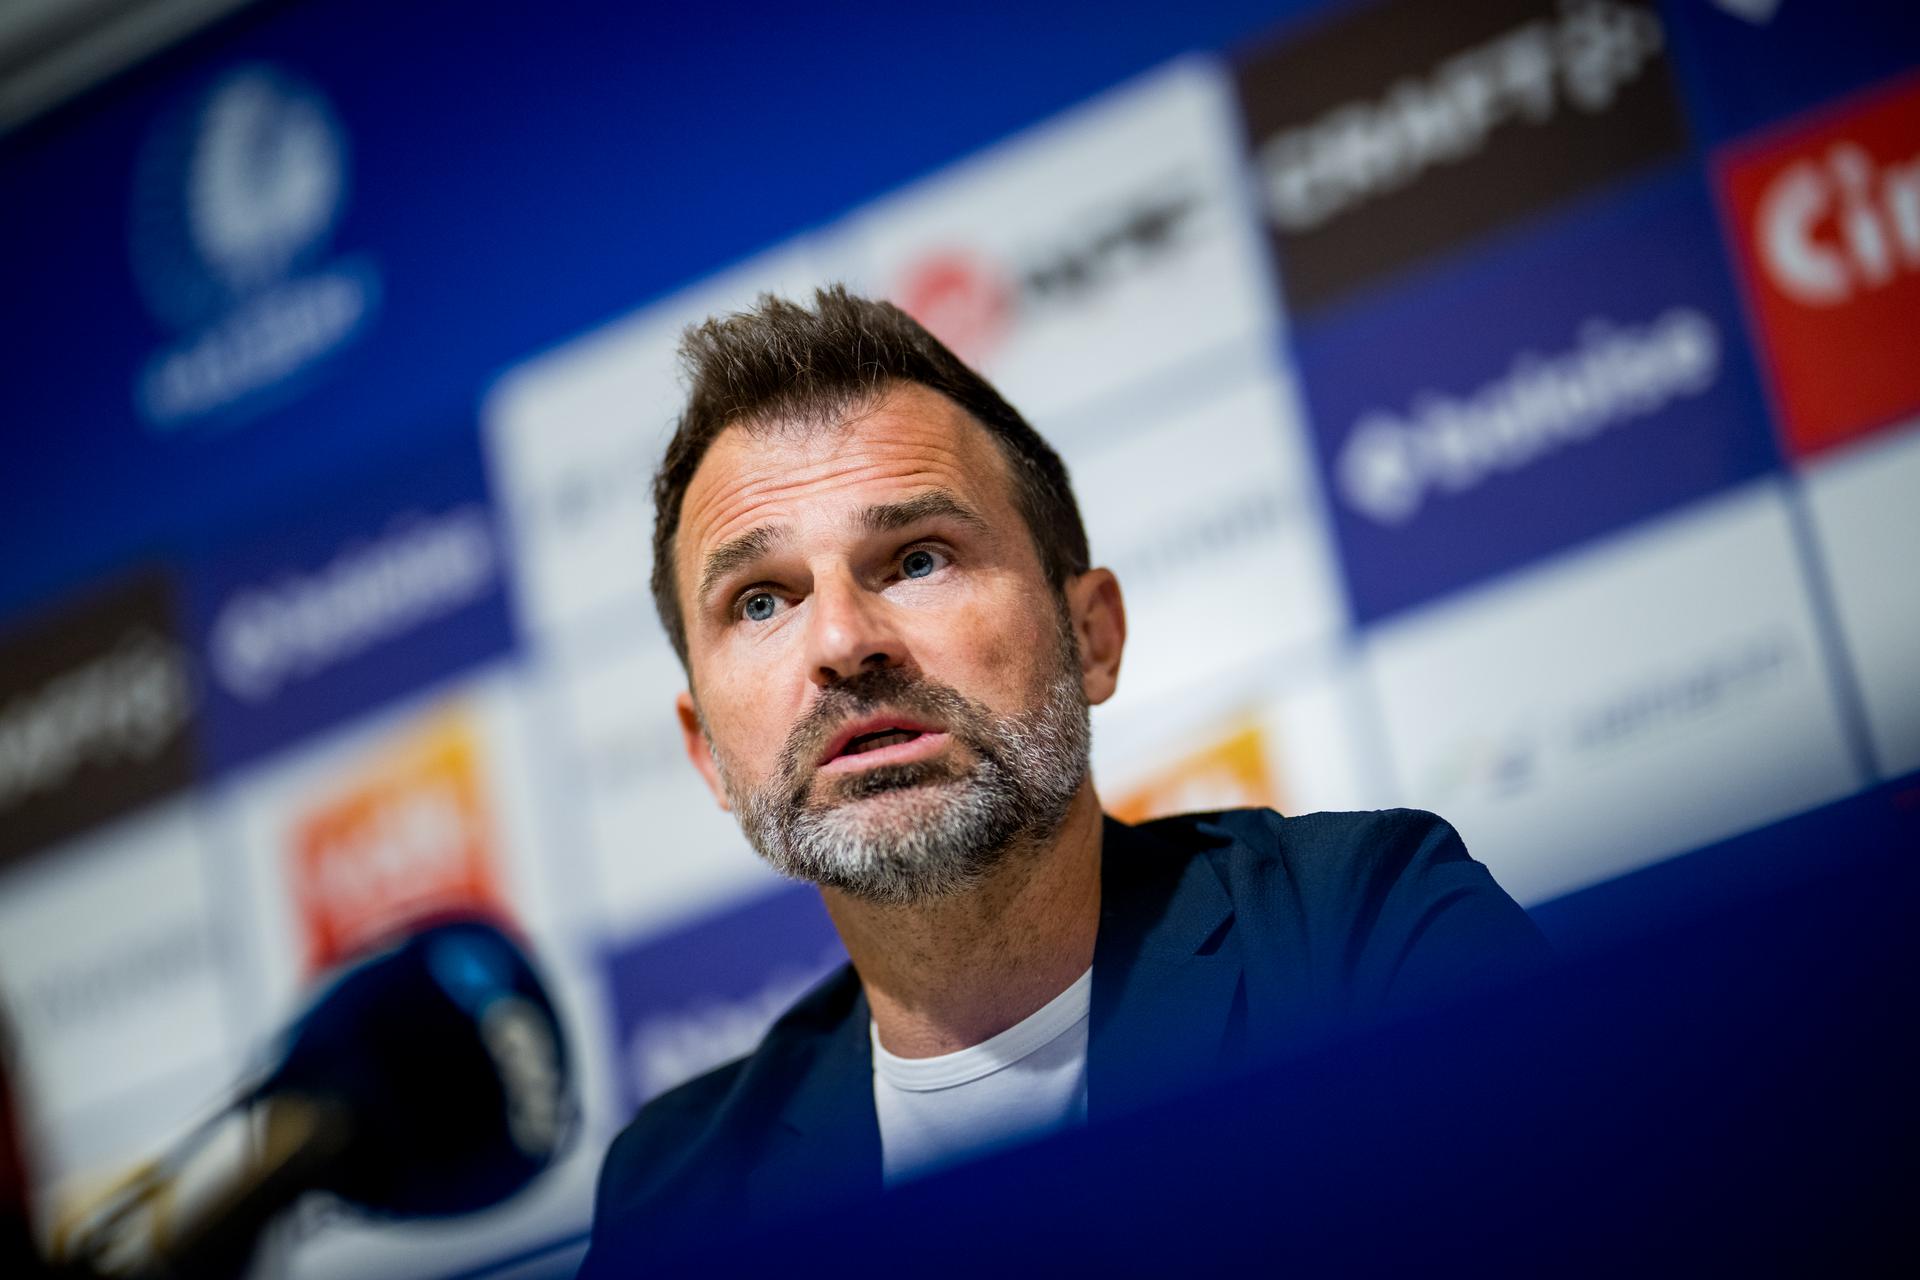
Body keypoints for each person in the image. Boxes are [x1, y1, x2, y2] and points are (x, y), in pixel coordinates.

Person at [578, 286, 1547, 1271]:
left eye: (916, 557)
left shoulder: (1358, 927)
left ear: (1090, 636)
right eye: (759, 601)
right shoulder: (677, 1193)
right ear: (708, 752)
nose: (842, 641)